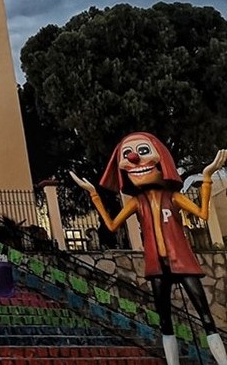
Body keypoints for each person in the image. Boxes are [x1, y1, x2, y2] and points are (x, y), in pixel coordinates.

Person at [71, 132, 227, 365]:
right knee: (165, 323)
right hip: (156, 267)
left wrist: (206, 176)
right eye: (127, 154)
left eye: (143, 151)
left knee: (206, 318)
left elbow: (203, 213)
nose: (134, 158)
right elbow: (112, 226)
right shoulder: (137, 203)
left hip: (182, 262)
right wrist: (94, 194)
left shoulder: (173, 197)